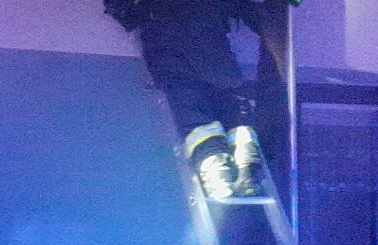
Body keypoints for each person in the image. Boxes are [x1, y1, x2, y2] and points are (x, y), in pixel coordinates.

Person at [106, 0, 297, 199]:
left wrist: (128, 12)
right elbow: (242, 8)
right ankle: (246, 159)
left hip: (170, 46)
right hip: (215, 46)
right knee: (230, 104)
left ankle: (217, 176)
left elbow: (124, 10)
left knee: (192, 114)